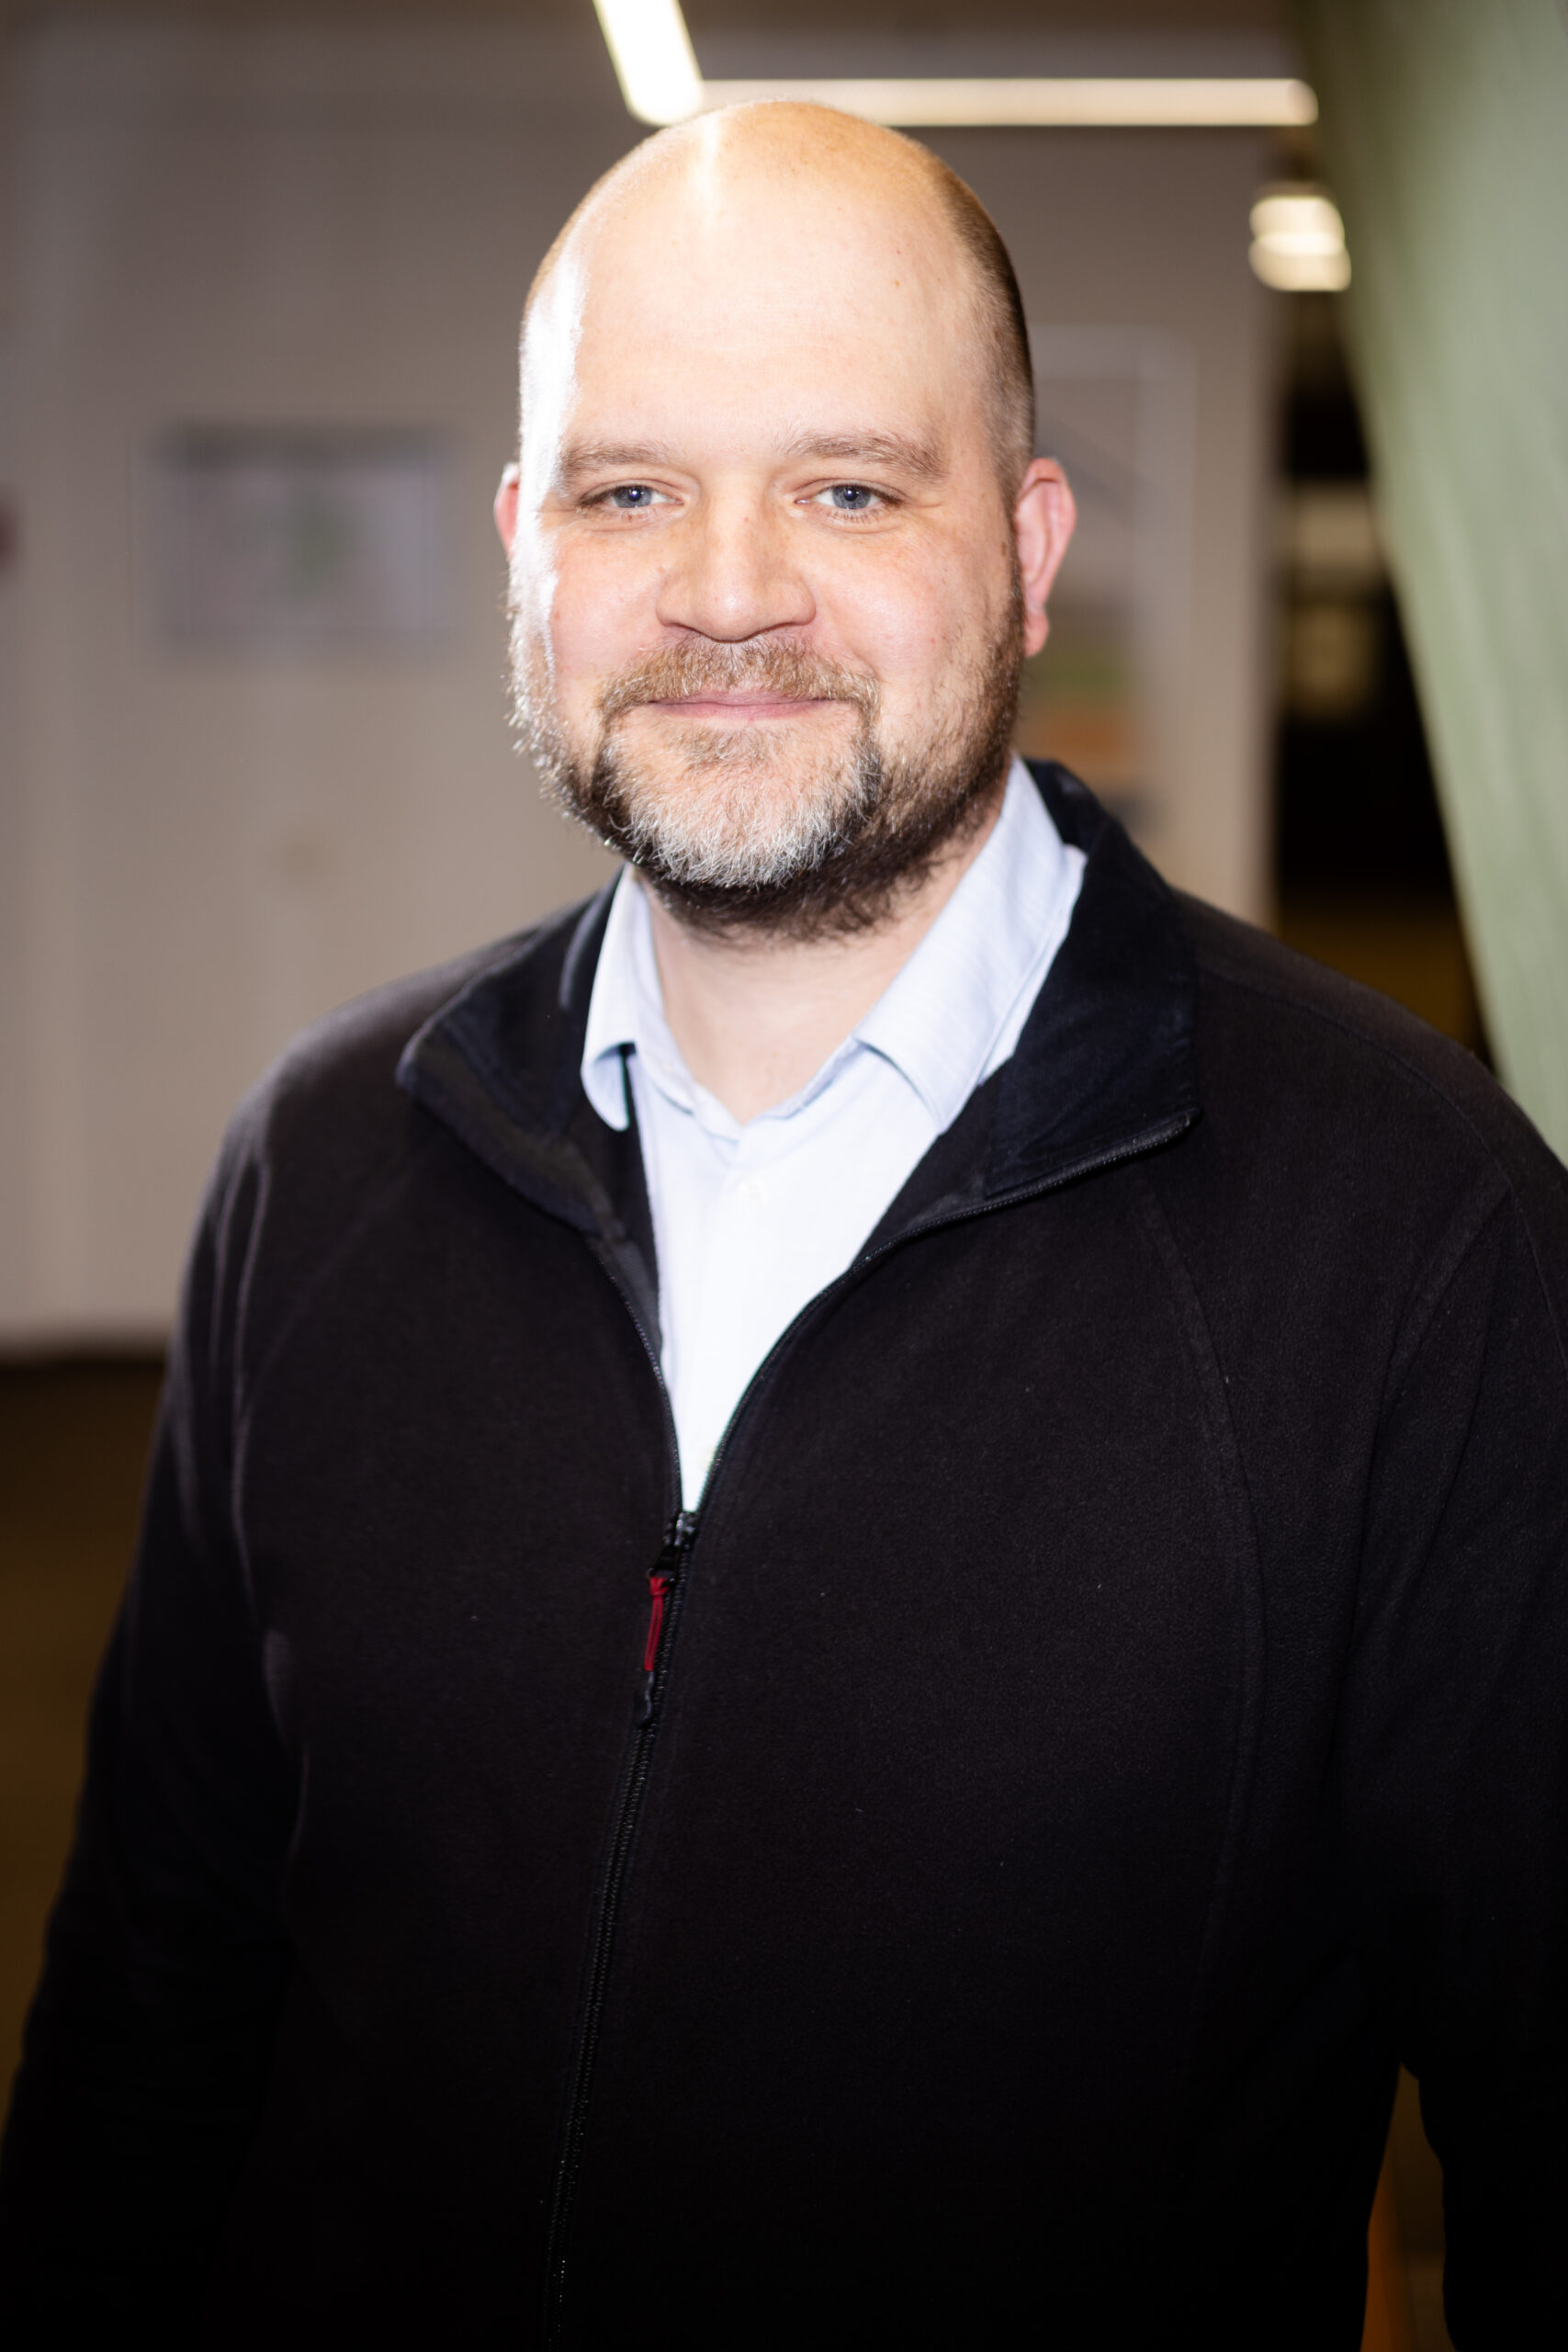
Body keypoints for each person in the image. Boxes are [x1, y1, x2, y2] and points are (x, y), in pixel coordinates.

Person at [1, 102, 1564, 2351]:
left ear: (1027, 546)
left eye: (847, 487)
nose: (727, 591)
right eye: (631, 490)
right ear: (527, 546)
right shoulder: (321, 1165)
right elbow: (156, 1991)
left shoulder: (1415, 1241)